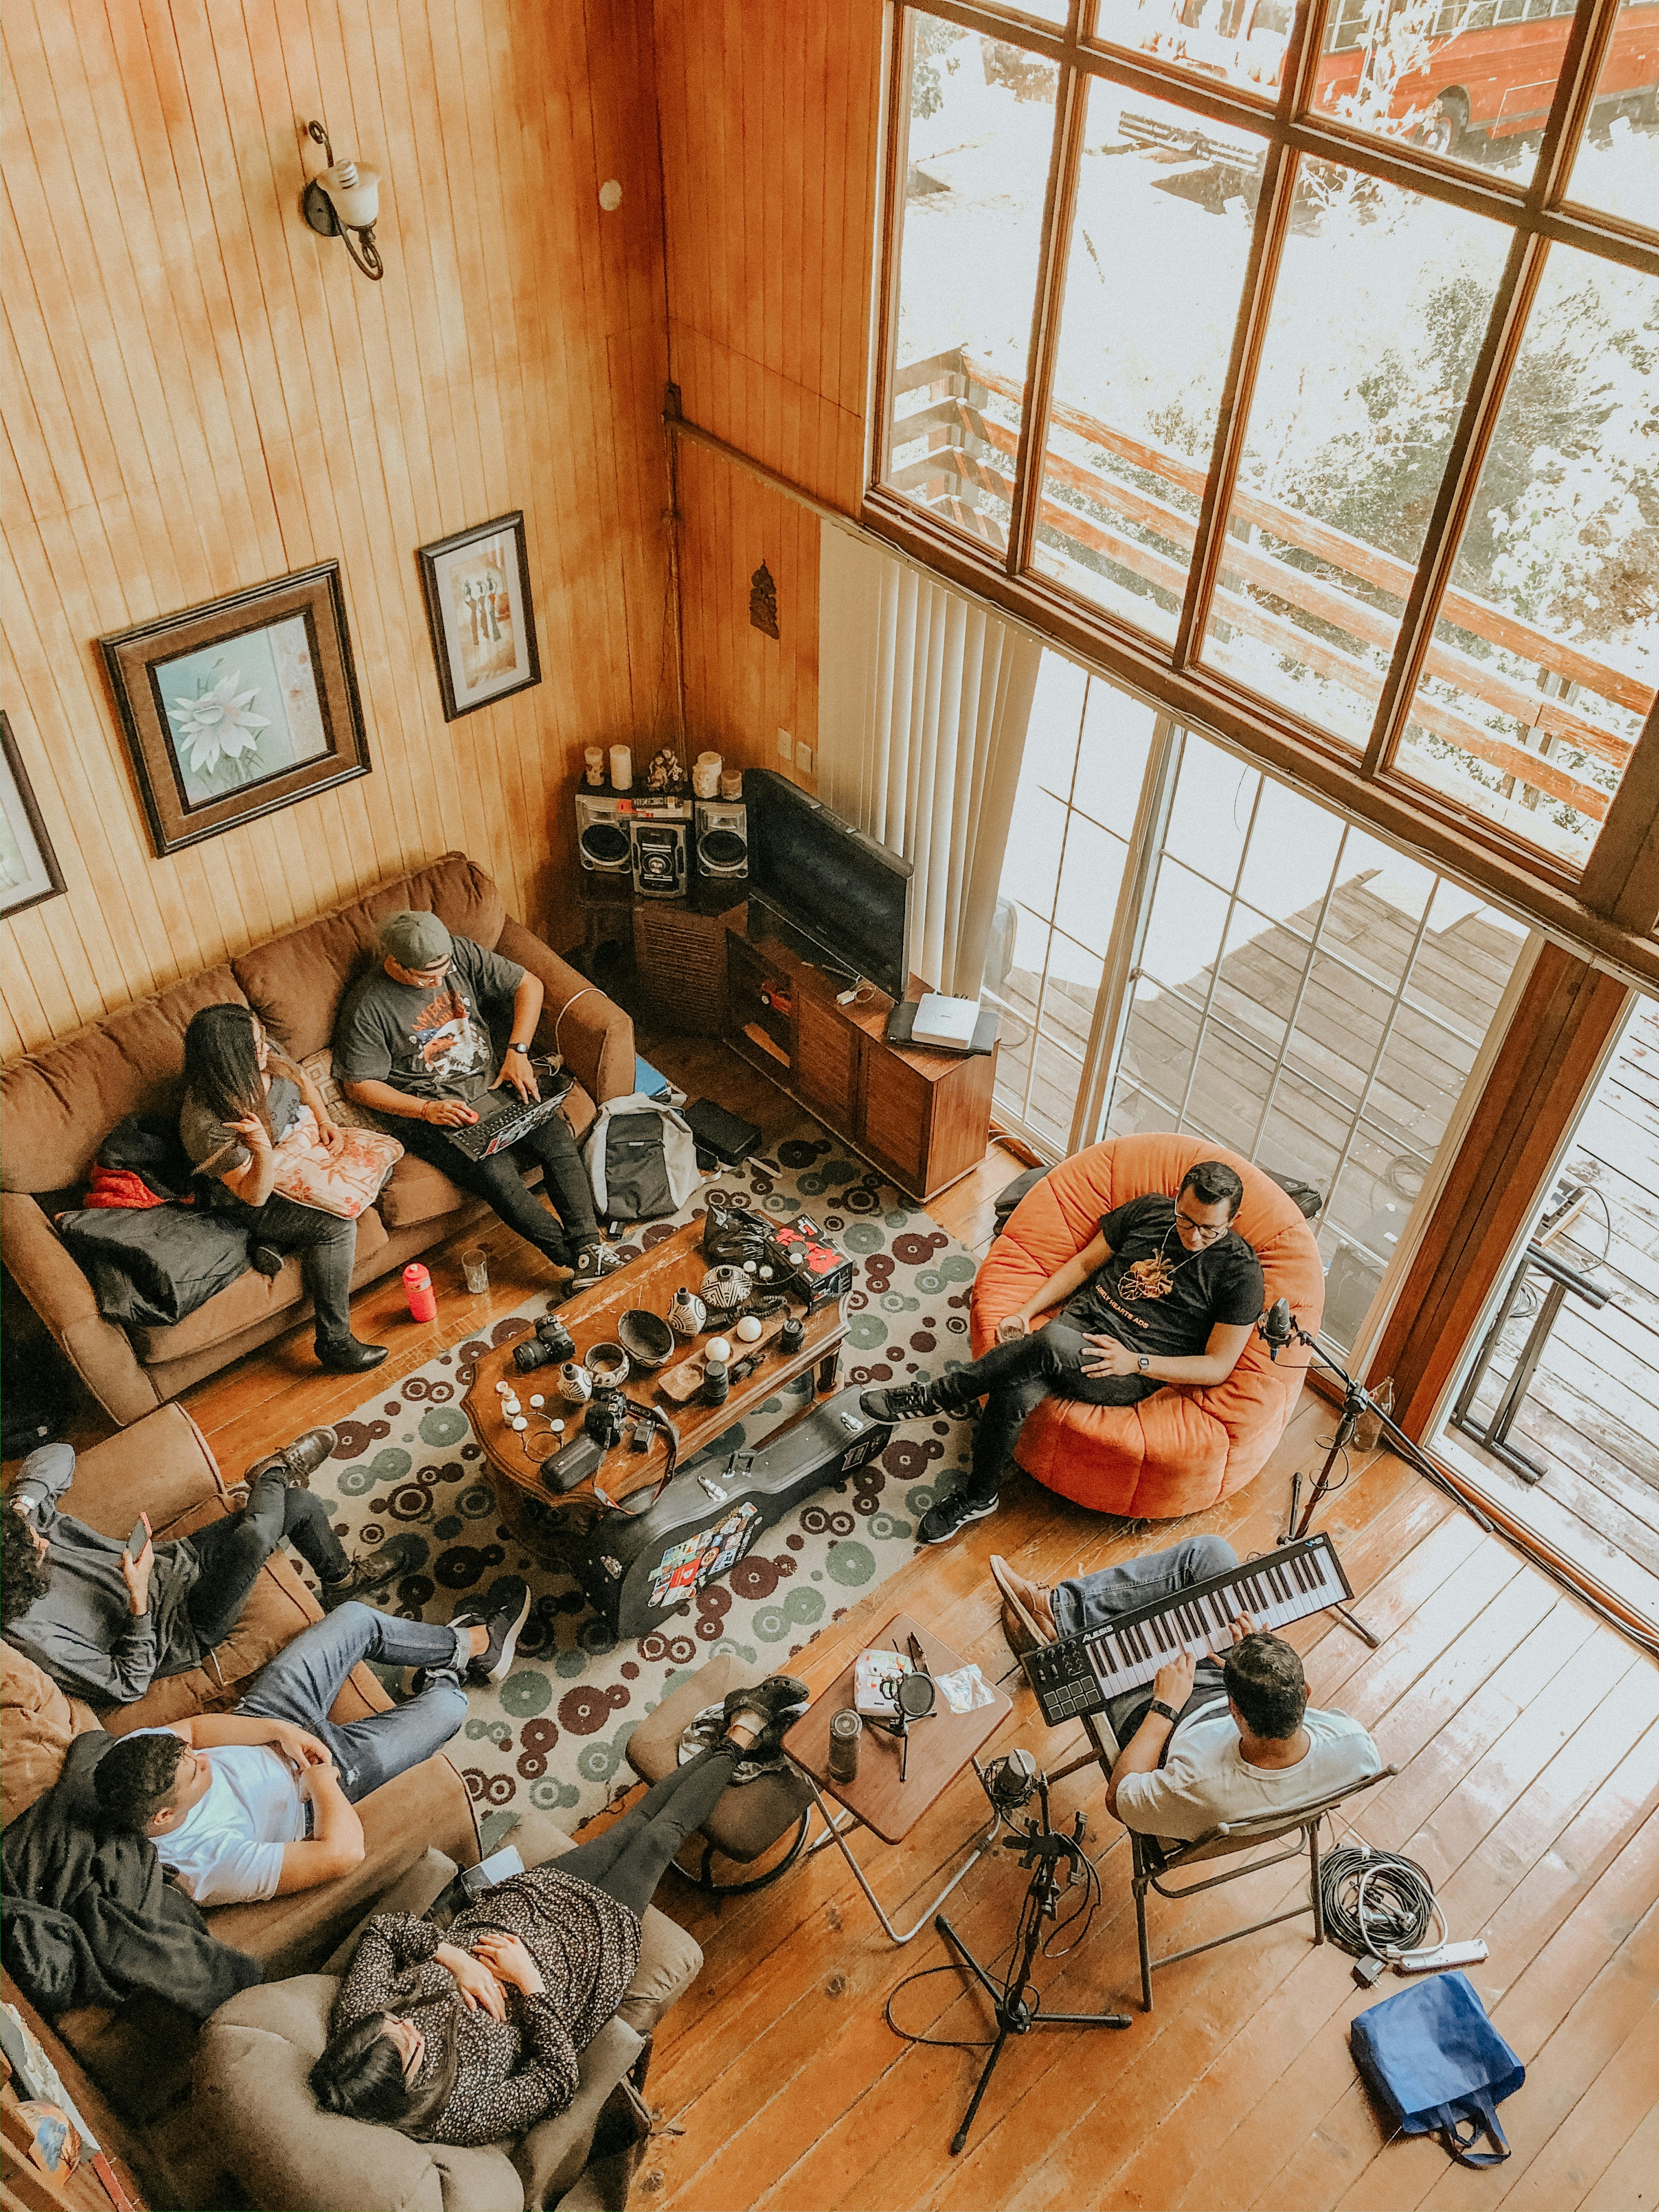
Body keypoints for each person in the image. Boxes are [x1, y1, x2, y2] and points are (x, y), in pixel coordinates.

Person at [306, 1675, 809, 2143]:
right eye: (408, 2041)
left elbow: (384, 1932)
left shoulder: (360, 2021)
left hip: (530, 1900)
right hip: (582, 1959)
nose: (406, 2022)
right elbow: (556, 2081)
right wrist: (528, 1985)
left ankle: (738, 1736)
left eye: (394, 2021)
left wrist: (456, 1959)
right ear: (407, 2085)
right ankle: (742, 1734)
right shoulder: (455, 2111)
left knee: (639, 1823)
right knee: (660, 1838)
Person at [861, 1160, 1265, 1544]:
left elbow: (1218, 1366)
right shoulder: (1150, 1211)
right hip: (1080, 1323)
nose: (1193, 1236)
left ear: (1233, 1221)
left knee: (1048, 1344)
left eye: (1209, 1230)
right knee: (1014, 1389)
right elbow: (1085, 1264)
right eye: (1186, 1219)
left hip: (1127, 1364)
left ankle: (935, 1396)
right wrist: (1026, 1311)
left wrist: (1136, 1362)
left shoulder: (1240, 1274)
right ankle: (979, 1497)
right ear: (1177, 1197)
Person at [89, 1579, 533, 1906]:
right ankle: (443, 1674)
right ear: (165, 1815)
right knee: (449, 1709)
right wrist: (322, 1782)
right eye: (195, 1769)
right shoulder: (205, 1867)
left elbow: (197, 1731)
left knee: (357, 1618)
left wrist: (279, 1731)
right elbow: (343, 1853)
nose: (202, 1759)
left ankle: (473, 1645)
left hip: (268, 1717)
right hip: (317, 1788)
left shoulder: (136, 1757)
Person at [990, 1539, 1379, 1843]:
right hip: (1219, 1705)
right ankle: (1058, 1611)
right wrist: (1260, 1652)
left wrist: (1165, 1705)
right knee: (1210, 1556)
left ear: (1236, 1712)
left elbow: (1119, 1799)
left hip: (1161, 1727)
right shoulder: (1357, 1746)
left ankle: (1052, 1619)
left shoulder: (1198, 1787)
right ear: (1305, 1693)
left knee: (1133, 1650)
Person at [2, 1428, 409, 1706]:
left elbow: (59, 1452)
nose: (43, 1539)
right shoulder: (32, 1636)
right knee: (255, 1537)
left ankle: (341, 1580)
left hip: (172, 1561)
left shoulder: (17, 1530)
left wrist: (22, 1507)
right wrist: (139, 1602)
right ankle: (274, 1471)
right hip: (182, 1626)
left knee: (299, 1506)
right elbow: (128, 1684)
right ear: (23, 1577)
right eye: (37, 1548)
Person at [333, 912, 616, 1293]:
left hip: (496, 1082)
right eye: (425, 977)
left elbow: (529, 986)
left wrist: (517, 1051)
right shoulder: (368, 1007)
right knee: (498, 1178)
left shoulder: (459, 952)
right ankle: (575, 1259)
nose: (437, 982)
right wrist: (425, 1110)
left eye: (443, 971)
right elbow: (359, 1085)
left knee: (556, 1139)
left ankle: (589, 1249)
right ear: (396, 963)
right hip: (439, 1112)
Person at [180, 1003, 388, 1374]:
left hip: (302, 1152)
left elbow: (300, 1078)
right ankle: (335, 1342)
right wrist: (260, 1147)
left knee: (375, 1168)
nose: (267, 1050)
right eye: (257, 1047)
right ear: (232, 1061)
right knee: (336, 1226)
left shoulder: (262, 1054)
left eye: (262, 1040)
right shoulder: (207, 1122)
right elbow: (253, 1194)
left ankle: (274, 1243)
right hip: (253, 1191)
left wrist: (326, 1121)